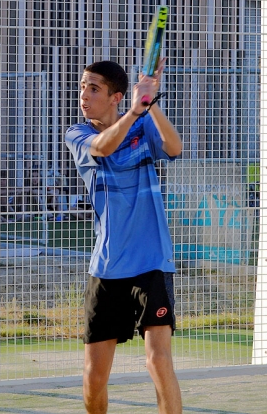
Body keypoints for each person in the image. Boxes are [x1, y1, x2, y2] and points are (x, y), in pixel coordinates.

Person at [65, 60, 182, 414]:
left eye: (94, 88)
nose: (84, 95)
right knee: (94, 377)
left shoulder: (144, 124)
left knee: (157, 360)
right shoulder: (78, 134)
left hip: (152, 262)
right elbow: (103, 147)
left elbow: (174, 148)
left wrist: (151, 103)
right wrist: (135, 111)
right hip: (108, 265)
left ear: (115, 96)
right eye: (83, 87)